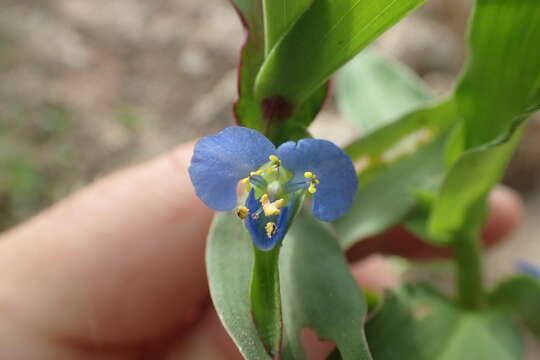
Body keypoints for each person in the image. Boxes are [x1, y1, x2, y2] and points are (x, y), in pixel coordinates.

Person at [0, 142, 522, 359]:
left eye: (279, 193)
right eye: (263, 192)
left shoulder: (321, 174)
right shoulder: (234, 165)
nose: (269, 205)